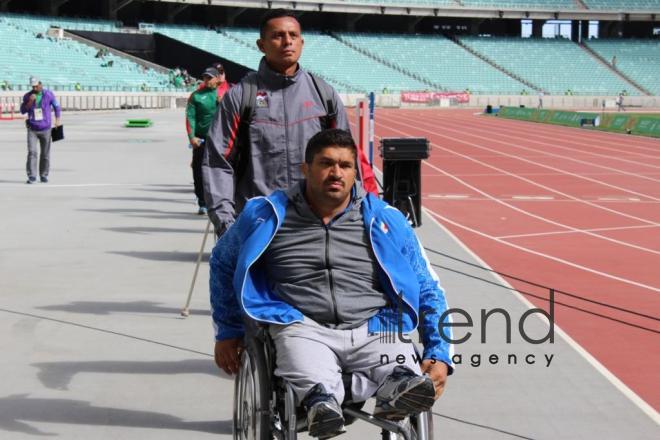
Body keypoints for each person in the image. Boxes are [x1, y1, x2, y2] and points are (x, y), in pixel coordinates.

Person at [211, 129, 453, 439]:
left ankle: (395, 388)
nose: (335, 173)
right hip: (302, 324)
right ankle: (320, 403)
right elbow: (222, 261)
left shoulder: (385, 220)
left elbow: (428, 286)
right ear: (305, 168)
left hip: (376, 325)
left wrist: (439, 351)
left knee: (404, 371)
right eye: (326, 163)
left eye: (345, 165)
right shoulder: (265, 214)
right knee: (308, 370)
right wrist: (228, 331)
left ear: (355, 172)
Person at [203, 8, 376, 236]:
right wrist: (227, 225)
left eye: (293, 36)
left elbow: (347, 160)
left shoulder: (323, 95)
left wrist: (356, 215)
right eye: (278, 36)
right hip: (257, 226)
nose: (287, 42)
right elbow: (217, 163)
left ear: (302, 42)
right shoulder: (241, 97)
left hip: (315, 225)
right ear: (261, 45)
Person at [185, 66, 227, 215]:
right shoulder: (196, 96)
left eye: (210, 77)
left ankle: (222, 202)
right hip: (201, 140)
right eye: (205, 77)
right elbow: (190, 117)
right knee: (198, 171)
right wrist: (192, 137)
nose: (207, 80)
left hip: (220, 140)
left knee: (221, 171)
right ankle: (202, 202)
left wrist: (223, 104)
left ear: (217, 79)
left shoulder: (224, 94)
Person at [19, 77, 61, 184]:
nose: (35, 88)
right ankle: (32, 176)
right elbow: (23, 111)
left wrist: (57, 120)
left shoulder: (48, 94)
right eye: (33, 86)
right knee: (32, 152)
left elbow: (57, 106)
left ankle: (43, 175)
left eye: (36, 86)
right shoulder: (27, 96)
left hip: (46, 128)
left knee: (45, 154)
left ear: (41, 84)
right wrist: (30, 101)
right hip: (32, 129)